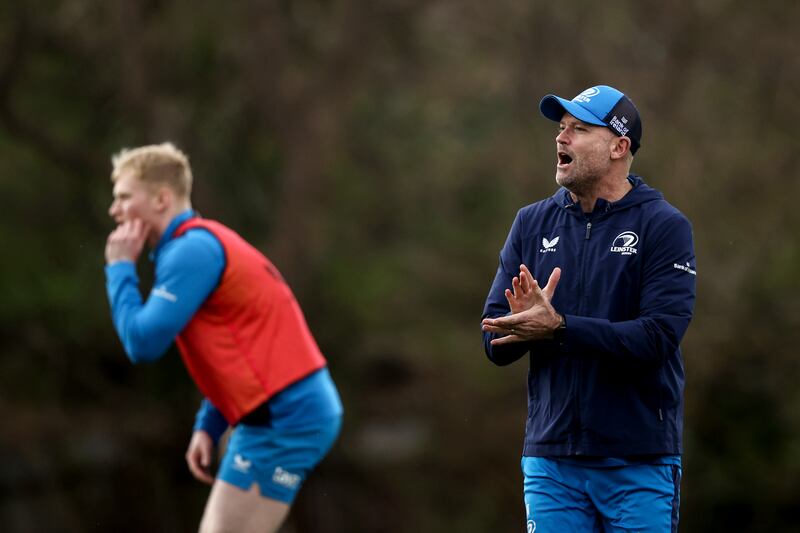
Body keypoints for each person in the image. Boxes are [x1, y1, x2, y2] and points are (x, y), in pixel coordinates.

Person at [481, 85, 696, 532]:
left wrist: (559, 328)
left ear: (619, 146)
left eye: (579, 129)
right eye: (562, 128)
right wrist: (517, 326)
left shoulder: (664, 226)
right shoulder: (531, 222)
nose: (562, 138)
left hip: (637, 461)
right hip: (551, 462)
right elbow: (493, 343)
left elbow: (657, 338)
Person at [104, 143, 343, 533]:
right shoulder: (196, 245)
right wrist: (209, 423)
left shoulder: (191, 252)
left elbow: (142, 342)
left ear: (161, 199)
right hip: (285, 411)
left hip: (285, 416)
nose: (115, 210)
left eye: (124, 198)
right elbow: (237, 349)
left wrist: (119, 270)